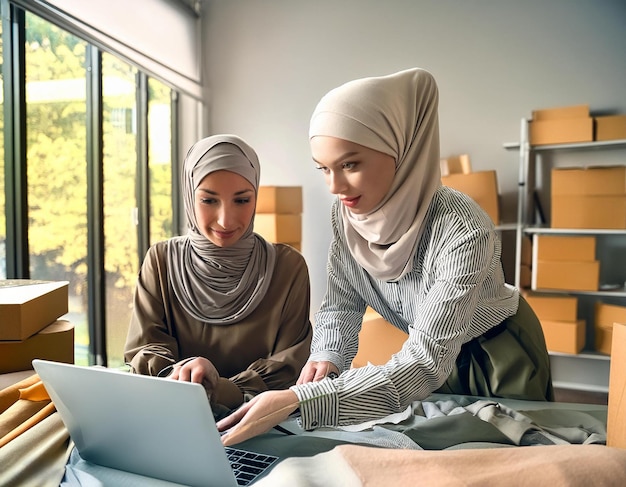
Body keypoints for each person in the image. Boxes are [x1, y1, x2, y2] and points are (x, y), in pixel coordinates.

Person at [218, 68, 553, 446]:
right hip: (427, 353)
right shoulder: (345, 215)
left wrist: (300, 401)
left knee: (508, 459)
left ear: (401, 149)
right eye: (324, 169)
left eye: (350, 164)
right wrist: (328, 356)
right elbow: (342, 303)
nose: (335, 186)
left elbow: (425, 363)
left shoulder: (463, 230)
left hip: (494, 355)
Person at [124, 134, 313, 418]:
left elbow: (289, 372)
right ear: (190, 195)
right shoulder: (161, 260)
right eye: (209, 200)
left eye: (242, 200)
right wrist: (180, 376)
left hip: (262, 423)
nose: (226, 220)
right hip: (171, 416)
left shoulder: (288, 268)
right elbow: (144, 351)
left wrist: (221, 388)